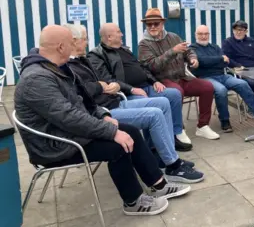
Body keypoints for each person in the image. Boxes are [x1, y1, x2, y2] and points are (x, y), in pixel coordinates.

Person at [14, 25, 190, 216]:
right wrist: (111, 132)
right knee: (119, 146)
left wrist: (103, 116)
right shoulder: (37, 78)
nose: (77, 45)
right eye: (71, 42)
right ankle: (133, 201)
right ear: (60, 47)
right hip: (56, 145)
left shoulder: (55, 69)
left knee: (129, 130)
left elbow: (83, 102)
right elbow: (69, 118)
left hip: (68, 132)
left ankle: (159, 184)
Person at [64, 24, 204, 183]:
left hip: (114, 100)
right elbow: (91, 88)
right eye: (84, 39)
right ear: (73, 41)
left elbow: (139, 69)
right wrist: (125, 88)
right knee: (155, 113)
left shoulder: (86, 59)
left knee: (164, 102)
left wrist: (153, 82)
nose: (88, 42)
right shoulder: (89, 58)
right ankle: (173, 164)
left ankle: (164, 155)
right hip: (108, 107)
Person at [87, 23, 192, 151]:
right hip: (128, 94)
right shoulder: (97, 55)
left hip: (147, 87)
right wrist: (131, 89)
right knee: (157, 105)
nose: (122, 34)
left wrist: (154, 81)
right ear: (109, 37)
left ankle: (175, 134)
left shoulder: (124, 49)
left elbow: (142, 68)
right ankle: (154, 146)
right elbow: (107, 80)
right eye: (119, 32)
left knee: (174, 94)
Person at [137, 9, 218, 140]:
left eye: (156, 23)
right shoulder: (144, 44)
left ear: (162, 23)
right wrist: (172, 51)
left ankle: (202, 126)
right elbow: (152, 66)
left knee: (207, 87)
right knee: (177, 92)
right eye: (149, 24)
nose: (152, 27)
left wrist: (193, 59)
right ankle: (179, 129)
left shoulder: (173, 36)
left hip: (182, 77)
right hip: (163, 80)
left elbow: (188, 50)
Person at [190, 25, 254, 132]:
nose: (203, 36)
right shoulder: (192, 49)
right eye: (200, 34)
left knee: (242, 84)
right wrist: (218, 59)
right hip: (205, 78)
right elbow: (202, 61)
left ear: (209, 34)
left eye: (206, 34)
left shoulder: (215, 47)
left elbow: (225, 62)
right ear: (195, 35)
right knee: (221, 90)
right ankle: (225, 120)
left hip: (223, 75)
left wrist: (214, 61)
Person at [222, 20, 254, 93]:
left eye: (241, 30)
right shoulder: (227, 42)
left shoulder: (252, 41)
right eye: (235, 30)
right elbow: (226, 59)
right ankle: (250, 102)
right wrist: (238, 66)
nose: (238, 32)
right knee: (253, 82)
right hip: (240, 70)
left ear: (246, 31)